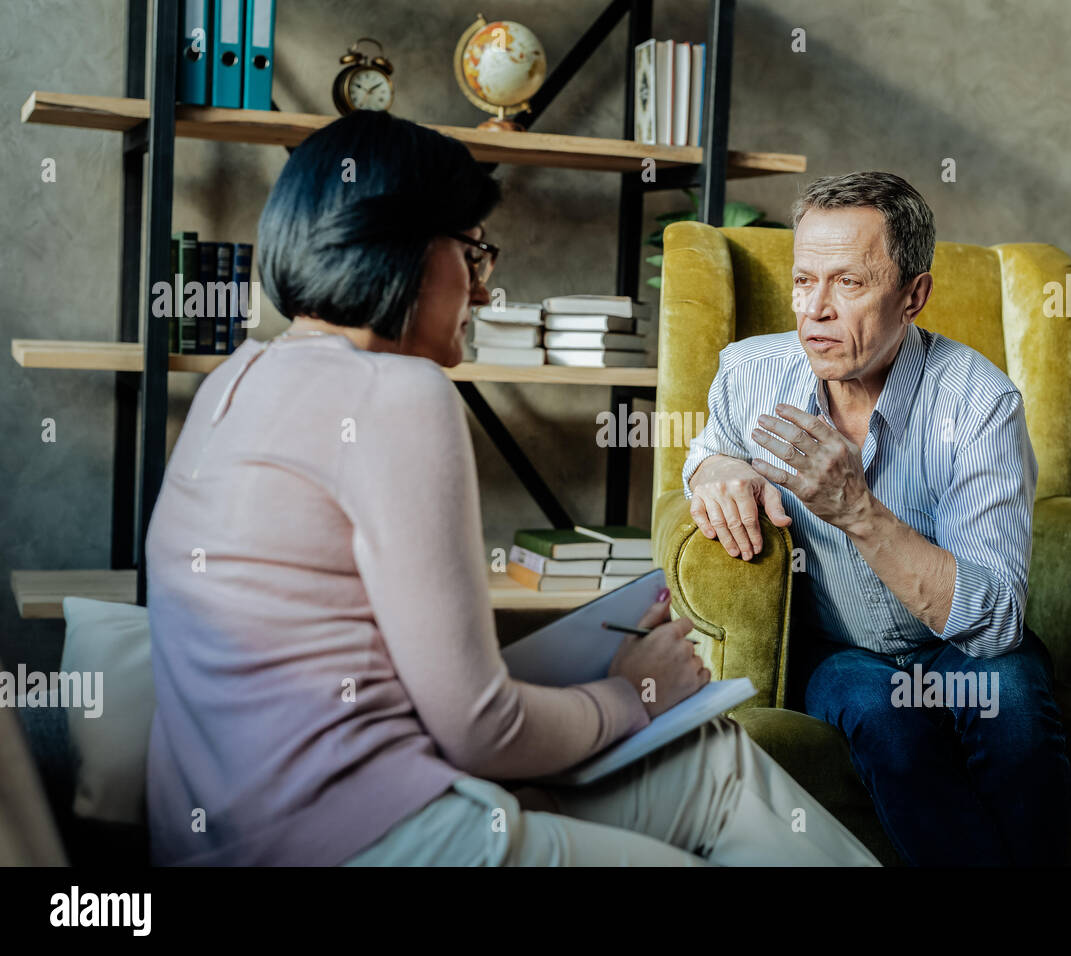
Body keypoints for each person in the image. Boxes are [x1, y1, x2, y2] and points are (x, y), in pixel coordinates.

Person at [143, 111, 878, 867]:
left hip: (228, 832)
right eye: (473, 252)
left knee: (714, 765)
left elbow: (390, 679)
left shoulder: (232, 382)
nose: (485, 292)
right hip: (364, 837)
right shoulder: (396, 393)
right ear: (406, 248)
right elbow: (477, 727)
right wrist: (635, 695)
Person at [682, 171, 1071, 866]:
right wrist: (716, 470)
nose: (815, 311)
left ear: (913, 295)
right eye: (804, 281)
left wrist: (857, 510)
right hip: (839, 651)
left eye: (849, 284)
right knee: (884, 714)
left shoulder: (981, 402)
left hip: (959, 646)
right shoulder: (749, 374)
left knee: (1010, 701)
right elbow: (707, 450)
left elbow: (997, 619)